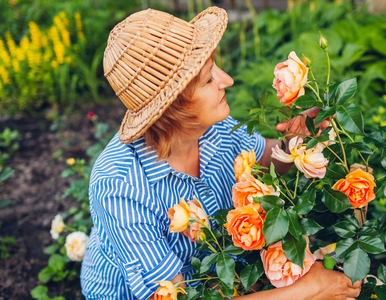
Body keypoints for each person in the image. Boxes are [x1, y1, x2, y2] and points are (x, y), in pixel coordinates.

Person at [80, 7, 362, 300]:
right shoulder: (119, 186)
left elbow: (264, 158)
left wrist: (295, 142)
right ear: (171, 108)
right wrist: (307, 291)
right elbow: (177, 296)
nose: (226, 80)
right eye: (207, 79)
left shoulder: (213, 127)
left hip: (219, 273)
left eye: (215, 67)